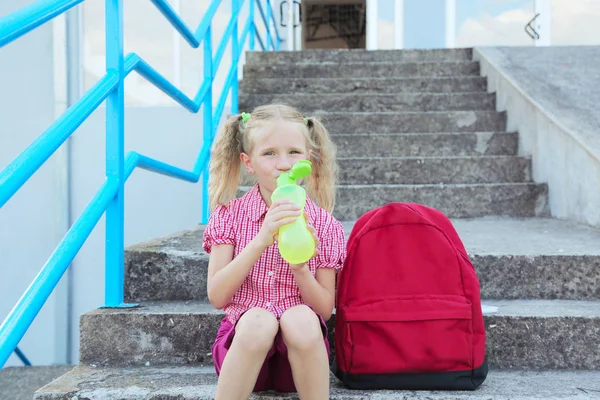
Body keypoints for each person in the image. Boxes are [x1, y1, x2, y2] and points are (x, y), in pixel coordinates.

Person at [203, 104, 346, 399]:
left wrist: (301, 267)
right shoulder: (230, 215)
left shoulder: (325, 225)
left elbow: (323, 310)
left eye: (294, 152)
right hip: (243, 349)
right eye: (269, 153)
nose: (283, 164)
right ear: (249, 162)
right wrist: (261, 240)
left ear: (309, 158)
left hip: (298, 365)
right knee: (258, 320)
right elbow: (218, 296)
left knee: (301, 318)